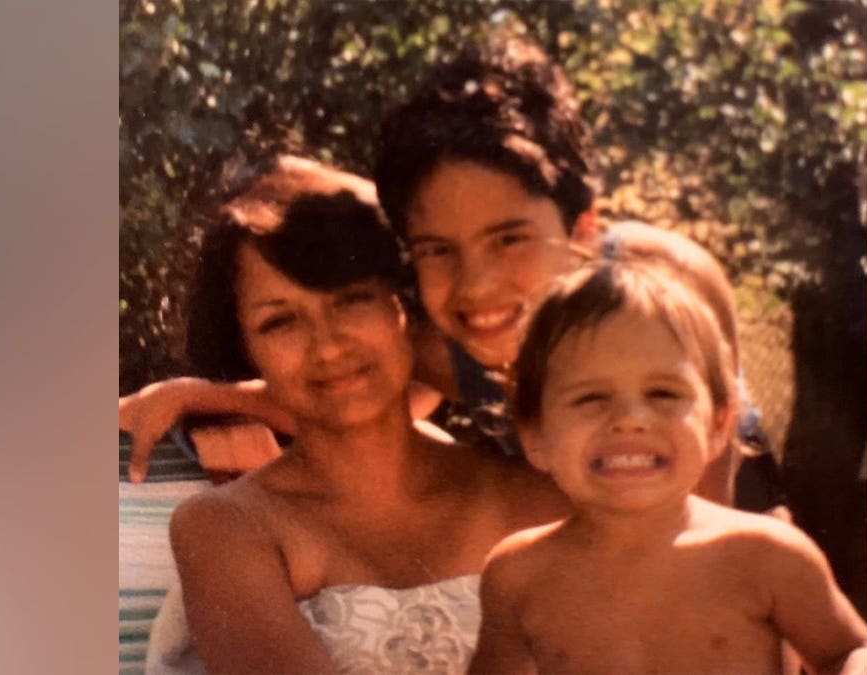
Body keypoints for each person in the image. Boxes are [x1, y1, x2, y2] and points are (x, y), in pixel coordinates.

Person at [121, 36, 787, 516]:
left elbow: (711, 531)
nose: (477, 286)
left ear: (582, 227)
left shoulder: (653, 283)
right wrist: (202, 396)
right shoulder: (448, 344)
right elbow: (363, 396)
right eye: (438, 249)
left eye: (509, 240)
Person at [162, 186, 569, 673]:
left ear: (406, 308)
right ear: (246, 349)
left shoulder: (537, 496)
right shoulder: (227, 529)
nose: (328, 347)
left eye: (352, 301)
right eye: (281, 322)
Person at [468, 261, 867, 674]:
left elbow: (849, 655)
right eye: (590, 398)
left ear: (717, 426)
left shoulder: (766, 557)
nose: (630, 418)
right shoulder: (519, 575)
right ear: (535, 435)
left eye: (662, 393)